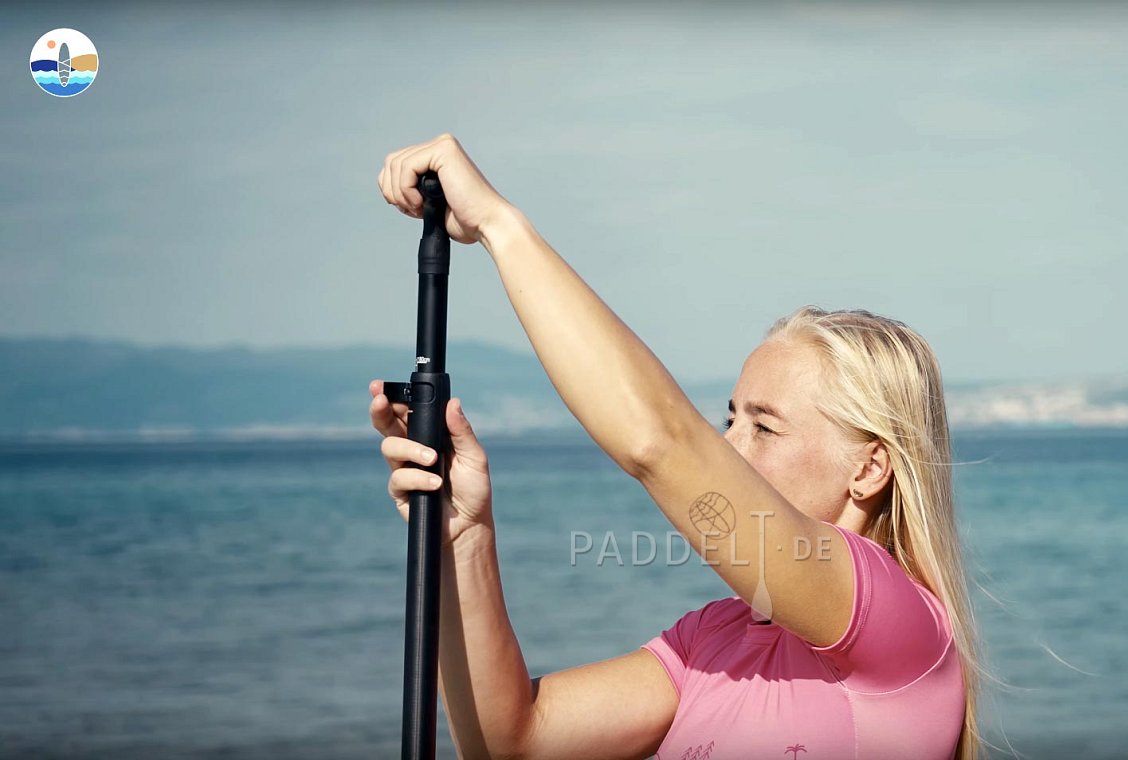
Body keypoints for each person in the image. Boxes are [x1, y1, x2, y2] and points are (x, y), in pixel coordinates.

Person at [369, 134, 982, 760]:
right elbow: (513, 740)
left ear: (869, 467)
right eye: (730, 420)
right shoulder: (712, 641)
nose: (728, 449)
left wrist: (500, 225)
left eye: (765, 428)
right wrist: (462, 536)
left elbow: (663, 444)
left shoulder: (900, 627)